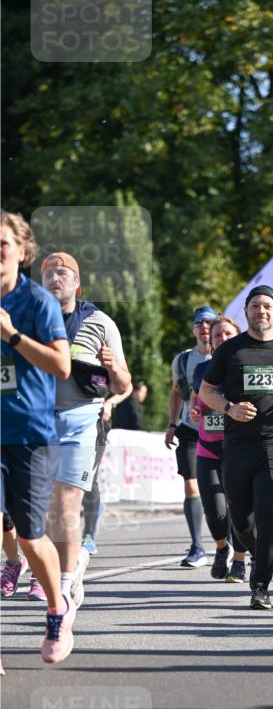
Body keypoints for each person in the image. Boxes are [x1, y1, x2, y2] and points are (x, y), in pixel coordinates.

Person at [200, 286, 273, 609]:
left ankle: (261, 585)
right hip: (238, 446)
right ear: (246, 311)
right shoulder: (230, 351)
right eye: (256, 305)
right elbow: (207, 391)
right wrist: (229, 408)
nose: (261, 311)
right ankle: (258, 554)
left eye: (267, 306)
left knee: (269, 515)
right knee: (242, 521)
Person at [1, 211, 73, 668]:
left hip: (30, 435)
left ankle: (56, 608)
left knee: (29, 537)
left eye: (1, 245)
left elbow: (61, 366)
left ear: (22, 251)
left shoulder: (37, 302)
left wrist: (12, 335)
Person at [41, 251, 130, 609]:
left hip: (82, 417)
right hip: (39, 420)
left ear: (77, 283)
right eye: (48, 273)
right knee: (47, 508)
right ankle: (70, 562)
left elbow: (124, 383)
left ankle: (63, 588)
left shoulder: (100, 323)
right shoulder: (28, 320)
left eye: (63, 273)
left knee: (67, 501)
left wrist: (112, 367)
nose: (55, 278)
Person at [189, 315, 247, 581]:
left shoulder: (247, 368)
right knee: (215, 511)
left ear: (238, 337)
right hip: (208, 448)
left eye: (228, 334)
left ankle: (239, 561)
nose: (222, 339)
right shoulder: (202, 370)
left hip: (240, 449)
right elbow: (196, 399)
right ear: (210, 342)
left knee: (240, 509)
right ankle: (223, 548)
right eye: (217, 335)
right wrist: (194, 412)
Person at [165, 305, 219, 568]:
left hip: (222, 429)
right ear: (194, 329)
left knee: (225, 488)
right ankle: (197, 547)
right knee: (191, 483)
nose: (204, 327)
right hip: (190, 428)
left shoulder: (229, 355)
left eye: (209, 322)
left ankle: (231, 541)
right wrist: (171, 424)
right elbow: (176, 393)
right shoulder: (183, 360)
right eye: (199, 323)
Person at [80, 385, 132, 555]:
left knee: (88, 478)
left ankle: (88, 535)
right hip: (60, 421)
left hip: (95, 423)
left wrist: (110, 402)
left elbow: (127, 386)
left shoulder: (104, 365)